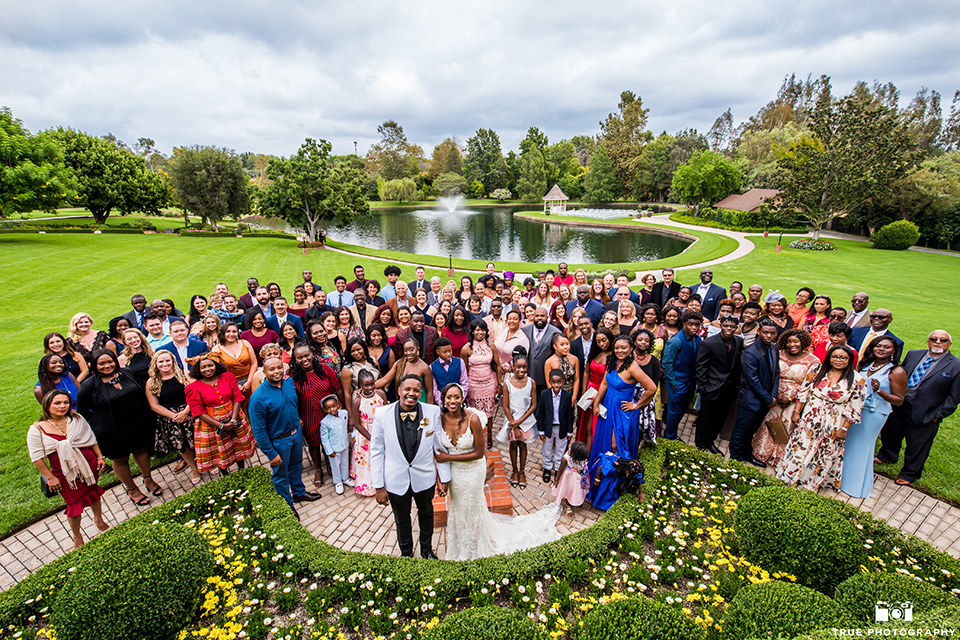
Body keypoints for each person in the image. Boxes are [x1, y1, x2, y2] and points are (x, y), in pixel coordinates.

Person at [434, 382, 561, 560]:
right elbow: (438, 450)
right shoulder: (439, 419)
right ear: (443, 399)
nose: (453, 400)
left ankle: (476, 544)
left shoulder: (473, 419)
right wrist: (441, 476)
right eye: (449, 397)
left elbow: (479, 454)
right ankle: (460, 544)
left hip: (472, 471)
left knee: (472, 507)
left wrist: (449, 458)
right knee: (457, 508)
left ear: (462, 398)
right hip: (454, 473)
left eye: (457, 397)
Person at [370, 375, 451, 558]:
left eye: (416, 390)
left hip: (425, 477)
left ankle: (427, 550)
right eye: (407, 389)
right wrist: (378, 486)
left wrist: (443, 477)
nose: (411, 393)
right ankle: (406, 553)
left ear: (420, 393)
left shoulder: (433, 412)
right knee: (402, 519)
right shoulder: (382, 414)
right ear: (399, 390)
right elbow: (376, 451)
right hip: (395, 479)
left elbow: (439, 446)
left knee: (427, 515)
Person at [776, 345, 867, 491]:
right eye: (834, 357)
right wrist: (797, 412)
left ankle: (808, 482)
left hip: (833, 422)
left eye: (843, 358)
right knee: (801, 446)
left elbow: (855, 408)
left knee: (822, 452)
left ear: (849, 360)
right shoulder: (817, 370)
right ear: (829, 357)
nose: (838, 360)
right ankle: (788, 475)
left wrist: (844, 429)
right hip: (810, 418)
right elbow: (803, 392)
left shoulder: (858, 380)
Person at [77, 349, 161, 505]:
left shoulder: (126, 372)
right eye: (101, 363)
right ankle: (132, 489)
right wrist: (98, 422)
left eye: (110, 361)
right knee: (120, 459)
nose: (107, 365)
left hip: (136, 424)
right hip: (111, 431)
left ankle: (148, 479)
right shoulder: (88, 385)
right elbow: (82, 411)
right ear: (94, 365)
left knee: (141, 450)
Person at [28, 390, 109, 549]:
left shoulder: (76, 419)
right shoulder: (37, 429)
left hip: (88, 464)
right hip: (63, 473)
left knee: (93, 493)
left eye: (66, 402)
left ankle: (99, 519)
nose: (63, 406)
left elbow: (90, 438)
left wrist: (99, 457)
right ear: (47, 405)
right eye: (57, 403)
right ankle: (77, 535)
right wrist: (50, 477)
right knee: (73, 504)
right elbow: (36, 457)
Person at [877, 330, 960, 485]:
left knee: (917, 444)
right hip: (901, 404)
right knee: (891, 433)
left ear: (949, 344)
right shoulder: (913, 354)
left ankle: (909, 474)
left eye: (943, 340)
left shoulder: (956, 366)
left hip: (926, 411)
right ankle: (887, 456)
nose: (937, 342)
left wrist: (938, 415)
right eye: (934, 339)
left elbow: (954, 397)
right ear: (928, 341)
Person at [586, 335, 657, 509]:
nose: (620, 351)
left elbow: (652, 388)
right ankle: (597, 487)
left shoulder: (633, 367)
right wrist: (596, 402)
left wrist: (636, 405)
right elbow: (604, 383)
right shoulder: (612, 362)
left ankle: (612, 491)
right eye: (617, 348)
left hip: (623, 414)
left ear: (631, 348)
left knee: (616, 447)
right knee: (603, 445)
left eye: (624, 348)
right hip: (608, 409)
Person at [249, 356, 321, 519]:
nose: (277, 372)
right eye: (272, 369)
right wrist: (271, 453)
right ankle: (287, 504)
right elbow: (258, 430)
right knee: (280, 474)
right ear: (264, 372)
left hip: (295, 435)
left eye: (279, 368)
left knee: (296, 466)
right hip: (278, 440)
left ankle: (299, 493)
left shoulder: (288, 383)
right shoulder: (258, 398)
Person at [841, 337, 907, 498]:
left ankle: (855, 487)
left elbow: (899, 400)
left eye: (886, 347)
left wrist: (879, 391)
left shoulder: (896, 371)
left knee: (862, 447)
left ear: (893, 351)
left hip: (874, 413)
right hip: (857, 409)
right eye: (878, 346)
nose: (881, 349)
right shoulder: (867, 364)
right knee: (848, 444)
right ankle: (841, 479)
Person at [751, 329, 821, 468]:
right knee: (768, 424)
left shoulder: (813, 361)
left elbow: (809, 385)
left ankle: (780, 458)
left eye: (795, 341)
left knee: (787, 427)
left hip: (795, 401)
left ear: (803, 342)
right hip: (773, 397)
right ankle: (761, 453)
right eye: (788, 342)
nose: (791, 345)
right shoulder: (777, 353)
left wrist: (792, 398)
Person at [185, 355, 257, 477]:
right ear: (198, 369)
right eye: (203, 367)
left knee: (237, 444)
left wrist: (233, 420)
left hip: (234, 415)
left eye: (210, 365)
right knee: (219, 451)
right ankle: (226, 475)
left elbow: (237, 397)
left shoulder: (228, 377)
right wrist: (221, 426)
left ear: (216, 365)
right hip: (211, 423)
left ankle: (242, 471)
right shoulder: (193, 388)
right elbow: (198, 412)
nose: (208, 369)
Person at [289, 344, 346, 486]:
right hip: (308, 415)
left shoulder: (325, 369)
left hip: (329, 413)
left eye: (307, 355)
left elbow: (338, 389)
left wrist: (344, 408)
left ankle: (330, 465)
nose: (304, 359)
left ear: (312, 354)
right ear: (295, 359)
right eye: (300, 357)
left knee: (331, 441)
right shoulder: (292, 376)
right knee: (314, 444)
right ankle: (318, 469)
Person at [729, 320, 781, 467]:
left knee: (751, 430)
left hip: (767, 400)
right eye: (766, 332)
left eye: (772, 333)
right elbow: (752, 380)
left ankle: (747, 453)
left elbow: (776, 373)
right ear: (759, 332)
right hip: (750, 399)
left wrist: (774, 396)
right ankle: (735, 458)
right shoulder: (750, 352)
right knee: (741, 430)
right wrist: (767, 398)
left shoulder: (774, 349)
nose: (769, 336)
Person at [145, 351, 201, 484]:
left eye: (167, 361)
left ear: (173, 361)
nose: (165, 364)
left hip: (190, 410)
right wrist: (175, 416)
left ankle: (206, 462)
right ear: (155, 364)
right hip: (170, 417)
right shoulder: (152, 382)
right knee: (182, 444)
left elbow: (197, 391)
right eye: (161, 362)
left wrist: (186, 411)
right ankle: (193, 468)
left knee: (199, 439)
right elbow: (154, 405)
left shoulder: (183, 373)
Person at [694, 315, 743, 453]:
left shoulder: (738, 342)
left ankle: (710, 441)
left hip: (728, 388)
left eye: (732, 327)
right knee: (705, 417)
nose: (729, 329)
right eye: (726, 326)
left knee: (719, 417)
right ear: (721, 326)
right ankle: (700, 444)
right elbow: (701, 367)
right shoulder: (709, 343)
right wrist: (703, 388)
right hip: (711, 387)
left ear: (736, 328)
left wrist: (736, 386)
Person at [460, 319, 502, 449]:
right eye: (477, 329)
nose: (480, 332)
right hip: (473, 384)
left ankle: (489, 436)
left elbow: (498, 366)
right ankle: (477, 436)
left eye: (483, 329)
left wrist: (499, 384)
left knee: (489, 412)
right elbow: (464, 370)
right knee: (476, 413)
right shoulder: (466, 348)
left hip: (490, 382)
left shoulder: (491, 346)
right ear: (472, 331)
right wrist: (465, 389)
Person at [499, 349, 537, 488]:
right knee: (513, 444)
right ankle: (514, 471)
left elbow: (533, 405)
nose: (521, 370)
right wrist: (514, 426)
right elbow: (506, 405)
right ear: (513, 367)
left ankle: (522, 472)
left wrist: (520, 423)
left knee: (523, 445)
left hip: (525, 420)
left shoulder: (531, 382)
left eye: (524, 367)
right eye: (518, 367)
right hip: (511, 420)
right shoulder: (507, 383)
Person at [662, 311, 704, 440]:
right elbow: (667, 363)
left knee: (682, 409)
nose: (694, 328)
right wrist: (673, 383)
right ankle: (670, 437)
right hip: (677, 381)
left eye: (697, 325)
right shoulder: (675, 341)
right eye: (691, 324)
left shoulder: (698, 339)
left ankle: (669, 427)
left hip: (690, 380)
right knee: (675, 411)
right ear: (684, 323)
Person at [576, 328, 613, 451]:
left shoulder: (613, 356)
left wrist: (598, 398)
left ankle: (593, 456)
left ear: (609, 339)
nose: (602, 344)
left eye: (604, 340)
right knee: (586, 428)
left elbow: (607, 381)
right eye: (598, 341)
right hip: (589, 390)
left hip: (602, 394)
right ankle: (584, 456)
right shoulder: (594, 353)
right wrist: (583, 390)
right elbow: (586, 371)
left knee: (595, 428)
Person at [535, 369, 574, 483]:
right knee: (547, 448)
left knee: (560, 449)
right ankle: (547, 468)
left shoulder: (567, 395)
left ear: (563, 382)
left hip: (562, 427)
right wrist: (541, 431)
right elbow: (540, 413)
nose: (556, 385)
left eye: (559, 382)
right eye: (553, 382)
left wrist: (569, 432)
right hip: (548, 427)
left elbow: (569, 415)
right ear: (550, 382)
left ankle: (557, 468)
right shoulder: (545, 394)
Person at [350, 369, 384, 497]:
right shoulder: (358, 401)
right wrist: (371, 437)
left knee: (382, 456)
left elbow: (386, 412)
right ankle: (368, 486)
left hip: (380, 429)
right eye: (366, 385)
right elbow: (357, 424)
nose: (370, 388)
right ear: (360, 386)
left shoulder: (380, 395)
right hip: (366, 434)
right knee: (368, 459)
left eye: (372, 384)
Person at [378, 337, 435, 404]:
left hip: (420, 403)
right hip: (404, 403)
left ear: (418, 349)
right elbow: (385, 380)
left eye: (411, 350)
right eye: (405, 350)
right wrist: (369, 386)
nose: (408, 353)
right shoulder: (399, 364)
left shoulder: (424, 368)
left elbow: (429, 392)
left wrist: (429, 410)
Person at [521, 307, 563, 397]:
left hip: (545, 377)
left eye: (542, 316)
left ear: (547, 317)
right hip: (529, 374)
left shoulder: (555, 332)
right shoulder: (525, 330)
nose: (539, 318)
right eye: (537, 316)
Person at [213, 322, 257, 398]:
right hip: (229, 384)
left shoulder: (245, 343)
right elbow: (216, 372)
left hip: (250, 379)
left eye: (234, 331)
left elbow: (254, 363)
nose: (231, 334)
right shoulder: (216, 349)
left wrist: (249, 382)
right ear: (223, 333)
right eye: (228, 331)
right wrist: (234, 385)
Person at [320, 395, 351, 495]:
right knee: (335, 465)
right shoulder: (324, 422)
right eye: (328, 408)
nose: (332, 409)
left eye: (333, 406)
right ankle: (338, 482)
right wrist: (329, 451)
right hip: (334, 448)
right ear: (324, 410)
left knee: (345, 462)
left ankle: (345, 478)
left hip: (344, 444)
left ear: (338, 405)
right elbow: (324, 439)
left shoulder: (344, 413)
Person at [552, 440, 590, 516]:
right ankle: (568, 504)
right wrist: (557, 480)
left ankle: (577, 500)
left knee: (578, 490)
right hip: (569, 477)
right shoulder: (565, 459)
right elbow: (560, 469)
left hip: (579, 477)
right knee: (569, 490)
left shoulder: (580, 454)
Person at [494, 309, 529, 374]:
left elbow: (521, 360)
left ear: (519, 321)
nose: (511, 321)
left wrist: (504, 367)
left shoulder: (523, 339)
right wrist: (497, 365)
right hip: (496, 370)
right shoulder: (502, 331)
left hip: (512, 374)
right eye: (509, 319)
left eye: (515, 319)